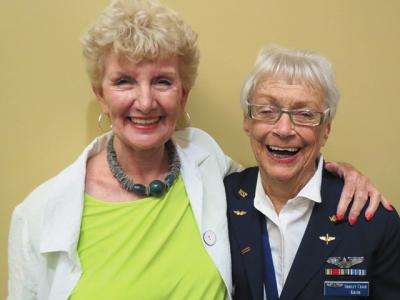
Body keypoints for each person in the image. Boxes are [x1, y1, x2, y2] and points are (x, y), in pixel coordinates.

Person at [7, 1, 390, 299]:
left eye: (162, 81)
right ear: (100, 95)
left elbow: (283, 173)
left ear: (183, 94)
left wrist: (342, 174)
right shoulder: (40, 216)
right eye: (124, 81)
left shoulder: (207, 165)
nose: (145, 101)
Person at [226, 47, 400, 300]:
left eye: (305, 114)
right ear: (247, 121)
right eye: (267, 111)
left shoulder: (373, 221)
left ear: (326, 129)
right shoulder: (219, 201)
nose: (284, 129)